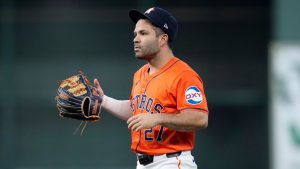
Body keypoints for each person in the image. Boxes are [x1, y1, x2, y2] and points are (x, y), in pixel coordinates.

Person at [93, 7, 209, 169]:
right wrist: (103, 100)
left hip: (171, 161)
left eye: (143, 33)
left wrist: (157, 118)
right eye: (135, 34)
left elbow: (200, 119)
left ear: (162, 39)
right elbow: (138, 111)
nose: (135, 39)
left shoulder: (184, 75)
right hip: (143, 163)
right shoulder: (140, 74)